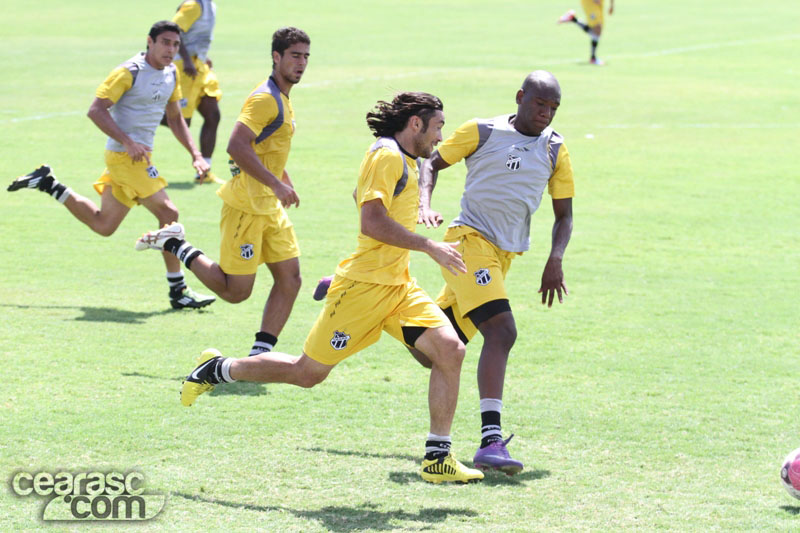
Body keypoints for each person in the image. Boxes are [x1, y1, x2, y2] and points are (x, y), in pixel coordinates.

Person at [179, 92, 485, 484]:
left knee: (450, 349)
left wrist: (417, 213)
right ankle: (219, 369)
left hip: (398, 287)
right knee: (306, 373)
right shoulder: (388, 156)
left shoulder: (402, 158)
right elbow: (370, 221)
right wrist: (428, 245)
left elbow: (363, 195)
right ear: (415, 124)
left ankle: (437, 457)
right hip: (362, 290)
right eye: (438, 127)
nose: (440, 137)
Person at [413, 70, 574, 475]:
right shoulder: (482, 131)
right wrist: (425, 203)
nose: (546, 113)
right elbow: (430, 164)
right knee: (502, 332)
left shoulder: (555, 149)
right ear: (521, 97)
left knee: (426, 351)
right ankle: (490, 440)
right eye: (540, 104)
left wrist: (555, 258)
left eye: (553, 107)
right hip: (469, 242)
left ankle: (367, 295)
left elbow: (564, 214)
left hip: (503, 257)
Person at [7, 20, 214, 310]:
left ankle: (48, 183)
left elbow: (176, 118)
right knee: (169, 212)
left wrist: (195, 154)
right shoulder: (128, 72)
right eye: (165, 42)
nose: (171, 49)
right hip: (124, 157)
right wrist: (128, 141)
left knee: (104, 225)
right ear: (150, 41)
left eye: (176, 44)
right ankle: (178, 290)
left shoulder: (171, 73)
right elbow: (95, 110)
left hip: (138, 158)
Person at [136, 27, 309, 357]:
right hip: (246, 206)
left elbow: (266, 146)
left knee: (291, 279)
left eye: (305, 57)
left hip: (270, 206)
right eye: (294, 56)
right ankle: (174, 243)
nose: (301, 63)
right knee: (235, 292)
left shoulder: (283, 97)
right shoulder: (265, 99)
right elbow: (236, 145)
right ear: (276, 57)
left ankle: (260, 355)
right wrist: (275, 183)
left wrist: (283, 179)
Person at [164, 0, 224, 184]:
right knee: (182, 121)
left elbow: (197, 37)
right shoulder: (193, 5)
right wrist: (187, 60)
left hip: (199, 67)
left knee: (212, 115)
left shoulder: (210, 5)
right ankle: (141, 115)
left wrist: (203, 57)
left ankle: (204, 172)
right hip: (184, 67)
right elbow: (173, 30)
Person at [558, 0, 614, 65]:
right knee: (597, 29)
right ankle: (593, 58)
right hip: (590, 2)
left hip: (600, 2)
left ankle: (573, 19)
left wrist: (612, 5)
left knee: (598, 29)